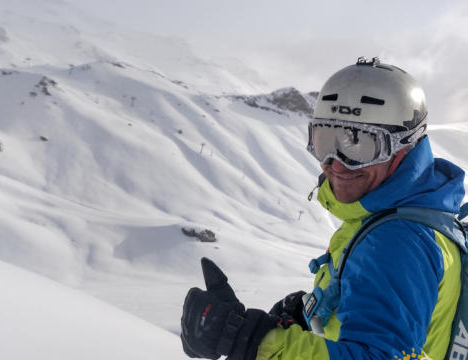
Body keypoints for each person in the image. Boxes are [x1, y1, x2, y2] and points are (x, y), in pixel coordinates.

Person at [180, 57, 466, 360]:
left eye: (360, 144)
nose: (336, 163)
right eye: (325, 140)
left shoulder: (397, 240)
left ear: (405, 146)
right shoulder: (392, 214)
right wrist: (313, 314)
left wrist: (252, 340)